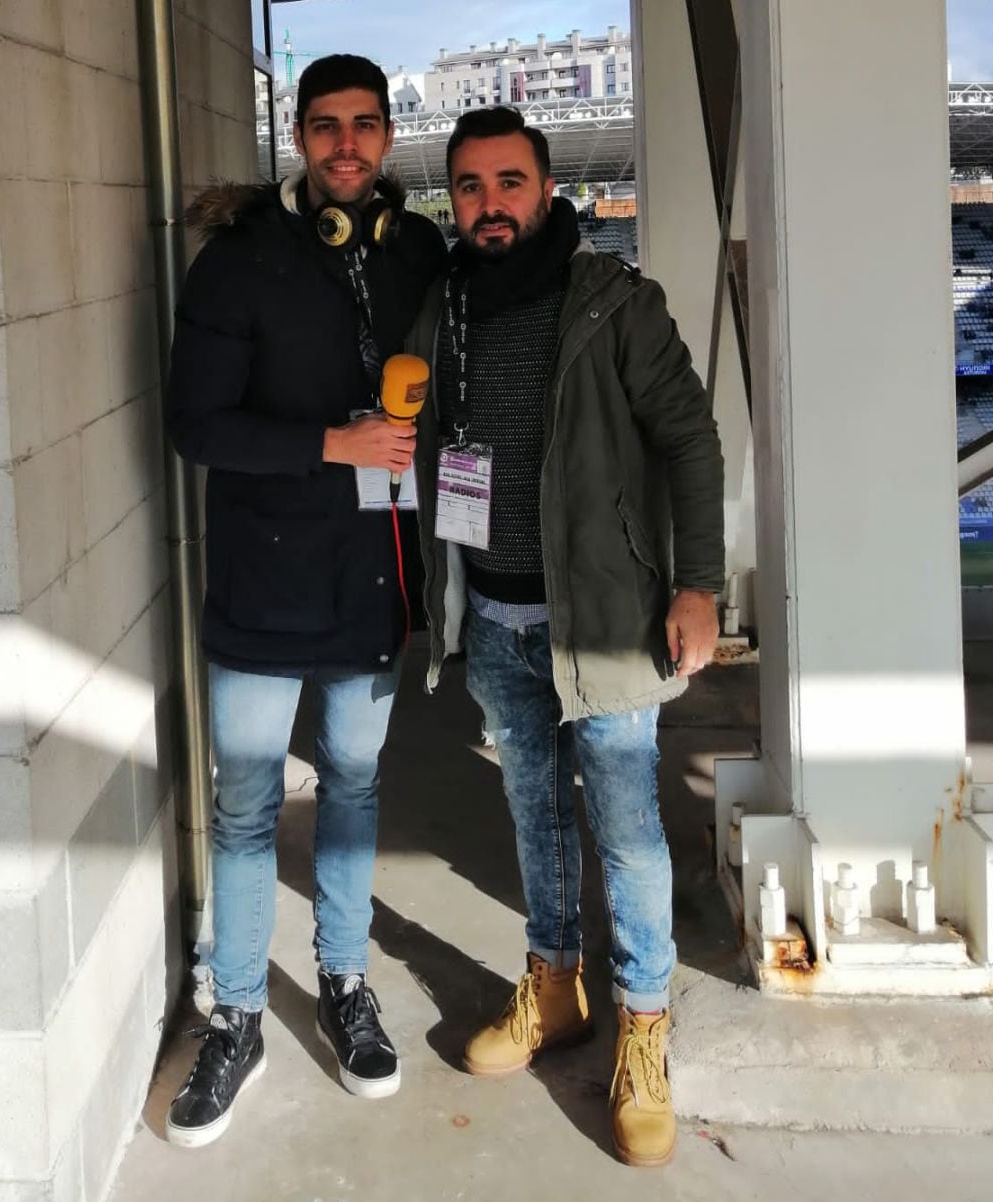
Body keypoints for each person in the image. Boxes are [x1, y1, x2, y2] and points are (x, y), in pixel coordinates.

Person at [408, 107, 724, 1168]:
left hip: (605, 621)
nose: (488, 204)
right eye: (469, 187)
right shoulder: (445, 306)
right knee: (535, 810)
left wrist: (700, 586)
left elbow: (690, 438)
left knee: (629, 823)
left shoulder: (614, 305)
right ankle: (554, 982)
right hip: (493, 612)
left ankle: (643, 1026)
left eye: (508, 183)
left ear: (546, 191)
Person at [164, 54, 446, 1148]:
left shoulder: (416, 251)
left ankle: (343, 982)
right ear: (296, 134)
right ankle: (238, 1011)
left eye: (364, 125)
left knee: (356, 785)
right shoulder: (238, 260)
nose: (345, 145)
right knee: (245, 802)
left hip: (371, 578)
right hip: (258, 585)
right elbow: (198, 426)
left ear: (385, 136)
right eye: (324, 125)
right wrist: (335, 443)